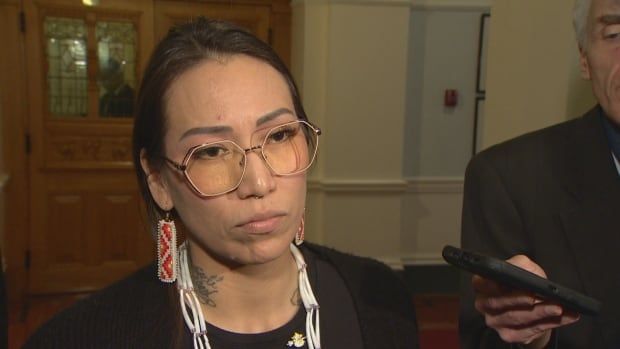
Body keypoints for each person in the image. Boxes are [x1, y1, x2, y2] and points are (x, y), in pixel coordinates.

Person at [24, 18, 419, 348]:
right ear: (158, 179)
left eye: (279, 136)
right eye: (211, 152)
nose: (259, 182)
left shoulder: (381, 298)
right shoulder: (81, 338)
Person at [459, 0, 620, 348]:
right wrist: (534, 335)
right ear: (584, 58)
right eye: (615, 33)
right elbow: (485, 338)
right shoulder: (507, 180)